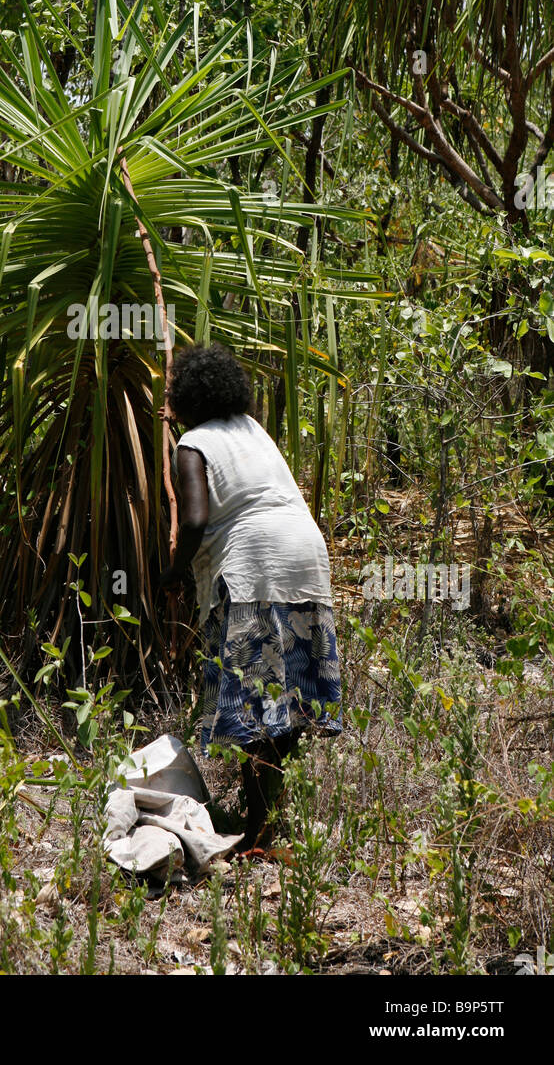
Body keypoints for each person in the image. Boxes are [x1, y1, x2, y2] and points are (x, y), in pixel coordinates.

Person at [159, 343, 342, 853]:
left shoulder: (191, 445)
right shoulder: (253, 431)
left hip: (255, 565)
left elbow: (194, 519)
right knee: (288, 702)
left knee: (258, 701)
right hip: (305, 556)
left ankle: (257, 832)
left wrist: (173, 570)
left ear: (185, 399)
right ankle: (264, 823)